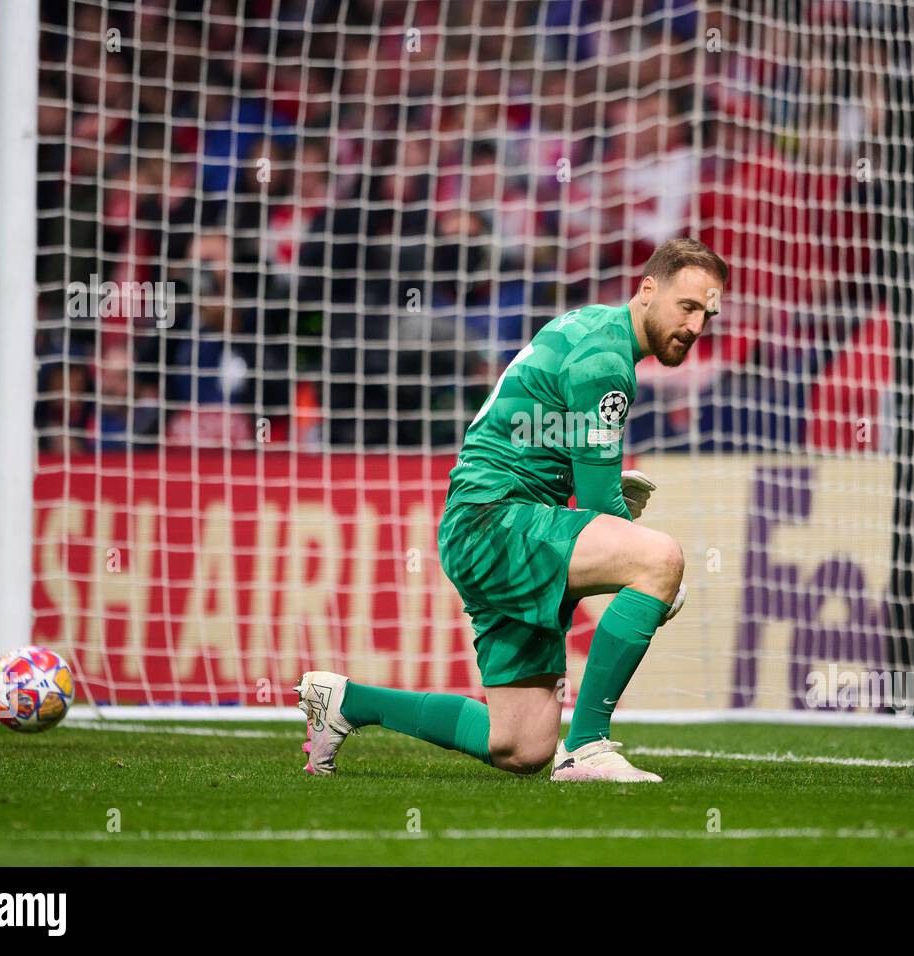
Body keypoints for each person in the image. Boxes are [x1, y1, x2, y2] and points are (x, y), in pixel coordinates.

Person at [296, 238, 728, 783]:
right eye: (686, 306)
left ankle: (346, 703)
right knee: (660, 558)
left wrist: (591, 489)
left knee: (520, 745)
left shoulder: (594, 329)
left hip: (494, 519)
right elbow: (599, 506)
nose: (694, 325)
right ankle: (589, 747)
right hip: (494, 520)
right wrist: (653, 572)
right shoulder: (605, 361)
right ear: (648, 290)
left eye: (706, 314)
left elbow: (551, 444)